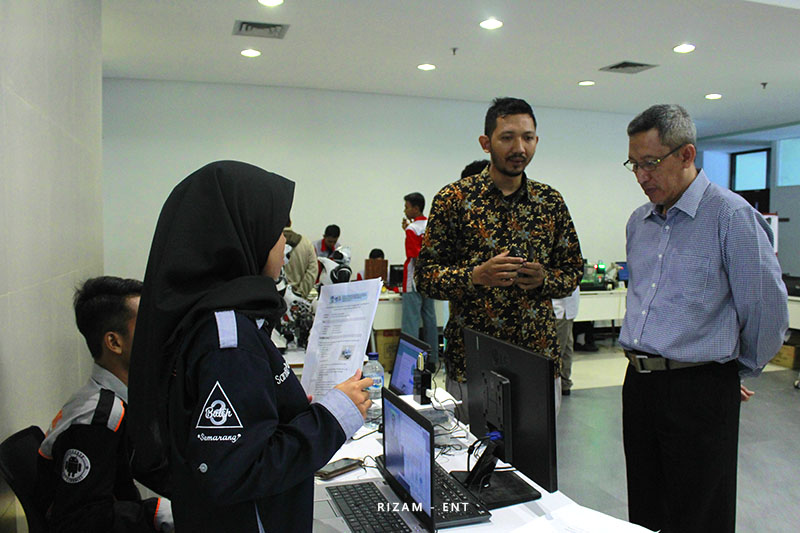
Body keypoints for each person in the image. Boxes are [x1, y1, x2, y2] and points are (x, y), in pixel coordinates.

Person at [128, 161, 372, 532]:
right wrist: (335, 415)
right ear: (242, 236)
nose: (284, 248)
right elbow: (236, 470)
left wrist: (287, 409)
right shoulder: (227, 340)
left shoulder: (215, 319)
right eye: (278, 233)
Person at [620, 104, 789, 533]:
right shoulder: (639, 223)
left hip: (698, 388)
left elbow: (768, 311)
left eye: (651, 163)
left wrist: (732, 369)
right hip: (638, 384)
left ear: (687, 154)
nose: (641, 176)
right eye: (634, 164)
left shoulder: (731, 217)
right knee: (645, 506)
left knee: (700, 513)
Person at [415, 97, 583, 415]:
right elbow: (425, 278)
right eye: (507, 137)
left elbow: (573, 270)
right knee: (471, 458)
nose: (519, 147)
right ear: (485, 142)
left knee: (534, 463)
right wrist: (476, 276)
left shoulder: (550, 202)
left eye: (528, 137)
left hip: (537, 357)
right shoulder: (454, 200)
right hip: (473, 360)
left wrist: (545, 279)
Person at [36, 276, 173, 533]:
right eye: (146, 325)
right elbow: (81, 520)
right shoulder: (98, 419)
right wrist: (158, 512)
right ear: (114, 343)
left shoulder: (119, 400)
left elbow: (149, 466)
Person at [401, 192, 439, 370]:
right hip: (430, 277)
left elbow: (414, 255)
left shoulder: (412, 229)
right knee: (430, 319)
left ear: (415, 208)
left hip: (414, 278)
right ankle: (432, 360)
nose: (405, 210)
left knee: (411, 322)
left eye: (407, 206)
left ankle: (410, 363)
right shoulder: (431, 225)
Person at [552, 286, 580, 395]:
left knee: (565, 348)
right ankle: (559, 383)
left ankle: (563, 382)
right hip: (561, 309)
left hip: (566, 310)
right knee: (560, 349)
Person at [283, 220, 318, 298]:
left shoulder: (270, 241)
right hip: (298, 298)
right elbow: (312, 271)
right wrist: (301, 293)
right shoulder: (306, 243)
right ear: (290, 222)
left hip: (276, 298)